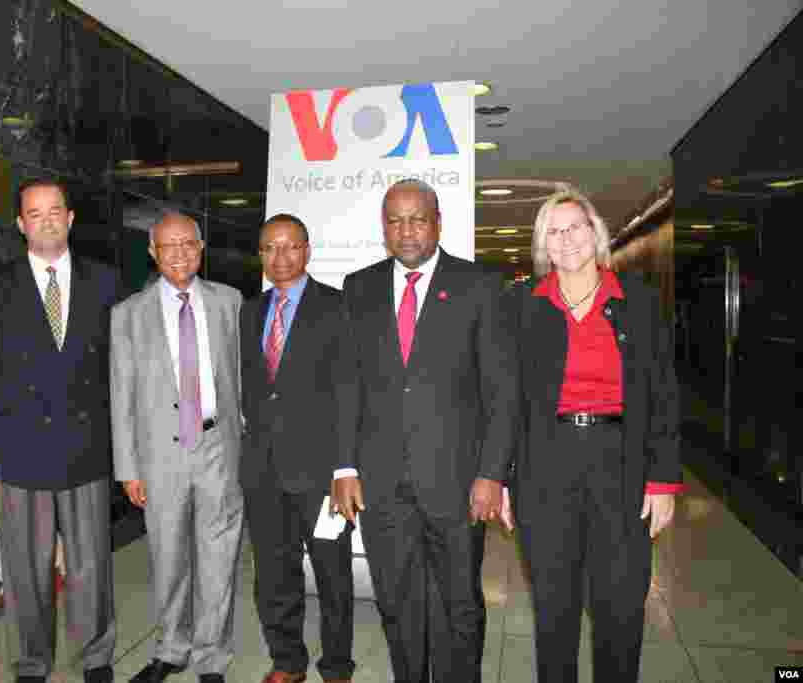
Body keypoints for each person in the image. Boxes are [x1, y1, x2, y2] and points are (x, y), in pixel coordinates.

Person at [332, 178, 520, 683]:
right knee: (396, 603)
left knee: (460, 604)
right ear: (383, 228)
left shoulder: (479, 285)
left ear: (438, 222)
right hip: (382, 482)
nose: (407, 230)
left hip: (458, 481)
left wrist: (491, 474)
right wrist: (345, 466)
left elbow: (502, 390)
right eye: (395, 220)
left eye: (417, 218)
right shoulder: (359, 287)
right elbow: (348, 383)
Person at [500, 189, 682, 683]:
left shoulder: (638, 302)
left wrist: (663, 480)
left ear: (596, 232)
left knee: (620, 605)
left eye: (575, 226)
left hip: (620, 461)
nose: (567, 238)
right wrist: (502, 479)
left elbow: (663, 392)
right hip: (545, 464)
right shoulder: (521, 306)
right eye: (554, 231)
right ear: (544, 246)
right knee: (553, 607)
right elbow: (506, 400)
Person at [0, 178, 121, 683]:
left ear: (70, 218)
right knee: (26, 569)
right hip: (22, 447)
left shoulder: (106, 282)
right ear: (20, 224)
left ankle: (97, 657)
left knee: (91, 565)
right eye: (35, 213)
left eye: (56, 211)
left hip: (87, 447)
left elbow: (123, 366)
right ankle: (32, 662)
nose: (47, 220)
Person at [110, 211, 243, 683]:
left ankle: (212, 657)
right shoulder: (127, 314)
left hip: (217, 447)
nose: (180, 254)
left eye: (188, 244)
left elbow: (242, 378)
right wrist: (128, 468)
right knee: (167, 555)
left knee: (218, 556)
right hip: (158, 454)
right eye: (169, 246)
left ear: (201, 247)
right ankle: (171, 647)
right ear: (152, 252)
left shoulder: (230, 302)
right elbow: (120, 394)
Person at [240, 214, 355, 683]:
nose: (280, 258)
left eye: (290, 247)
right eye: (270, 248)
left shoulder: (338, 307)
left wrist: (346, 467)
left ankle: (337, 665)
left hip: (322, 474)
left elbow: (350, 389)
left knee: (333, 576)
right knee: (274, 575)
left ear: (307, 251)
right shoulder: (250, 310)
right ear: (261, 254)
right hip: (263, 471)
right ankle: (287, 661)